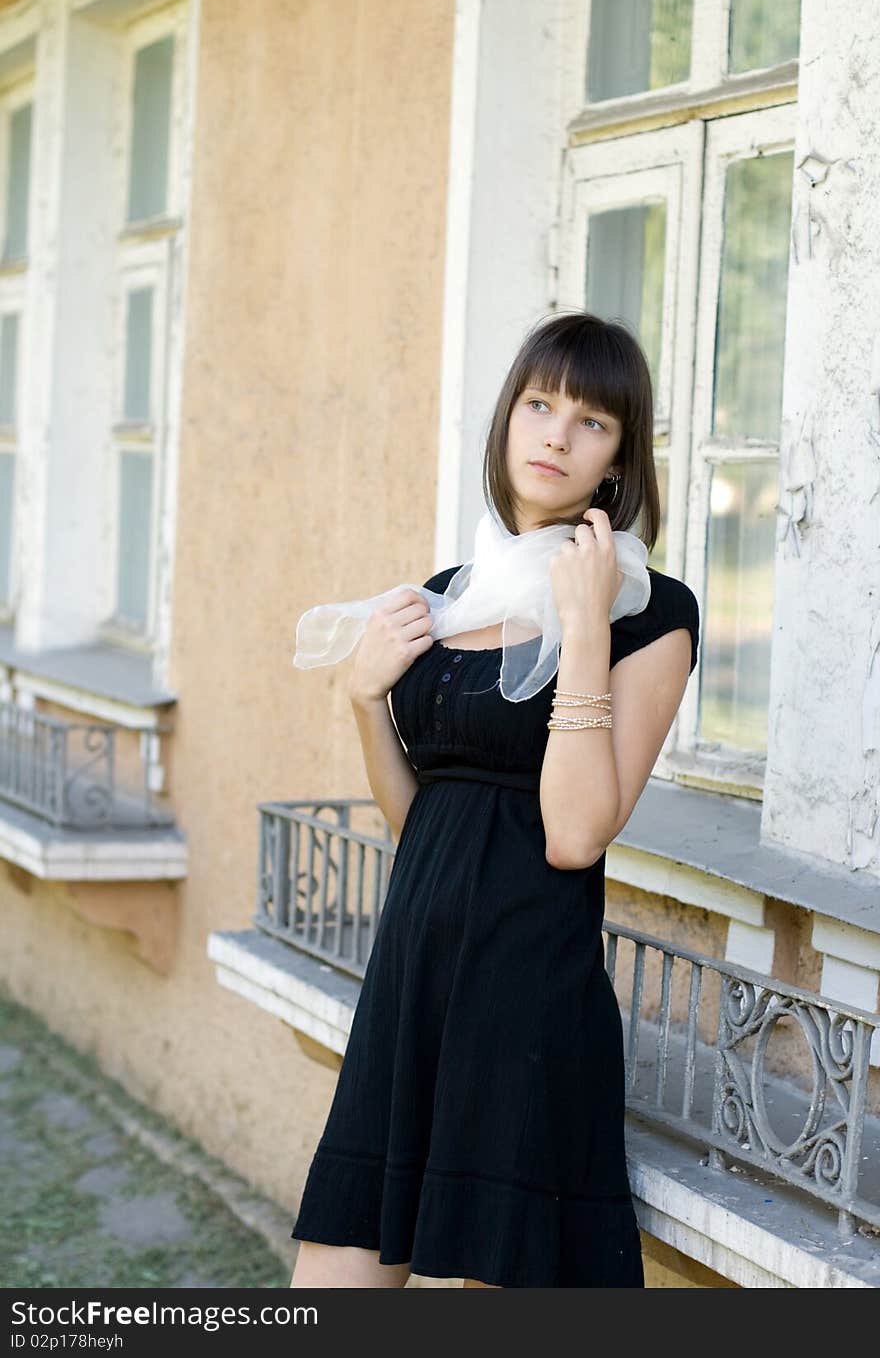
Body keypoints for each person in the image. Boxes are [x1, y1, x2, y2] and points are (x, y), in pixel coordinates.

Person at [289, 311, 700, 1288]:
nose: (556, 434)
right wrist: (363, 699)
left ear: (617, 462)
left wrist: (583, 623)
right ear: (507, 420)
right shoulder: (446, 597)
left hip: (525, 1000)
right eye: (539, 403)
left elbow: (573, 832)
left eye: (592, 421)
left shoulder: (652, 611)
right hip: (410, 985)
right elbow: (415, 819)